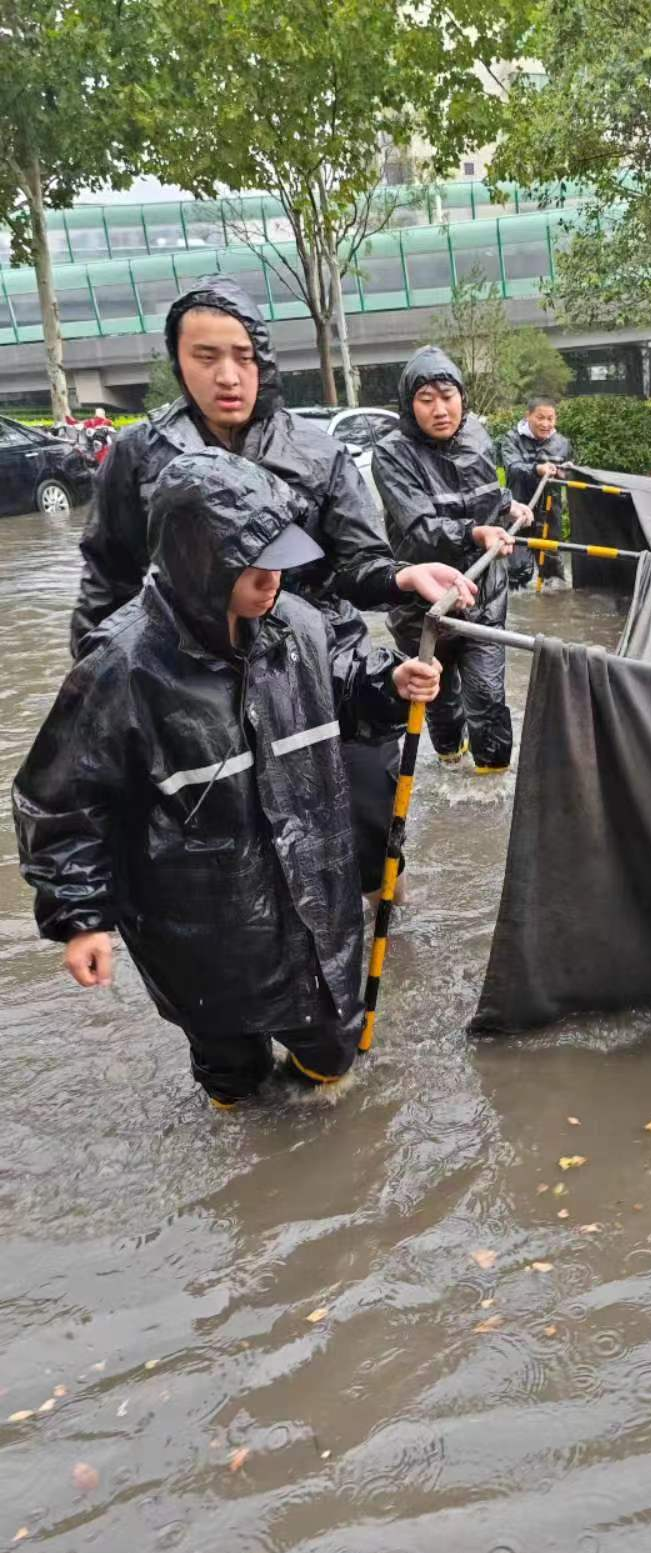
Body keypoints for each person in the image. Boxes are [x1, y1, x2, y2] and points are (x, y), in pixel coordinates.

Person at [14, 451, 441, 1109]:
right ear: (197, 560)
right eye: (253, 564)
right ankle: (238, 1117)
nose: (273, 579)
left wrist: (389, 685)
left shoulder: (300, 625)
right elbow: (61, 803)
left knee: (333, 1054)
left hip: (315, 908)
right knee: (231, 1074)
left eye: (281, 558)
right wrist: (81, 921)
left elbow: (342, 692)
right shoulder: (122, 667)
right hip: (198, 928)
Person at [70, 275, 474, 894]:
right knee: (219, 862)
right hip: (193, 681)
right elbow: (108, 583)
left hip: (322, 660)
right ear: (178, 360)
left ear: (263, 360)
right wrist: (95, 689)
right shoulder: (136, 455)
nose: (227, 376)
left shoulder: (317, 452)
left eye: (242, 356)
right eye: (206, 357)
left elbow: (358, 563)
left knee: (370, 832)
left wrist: (402, 575)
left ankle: (373, 928)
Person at [372, 348, 534, 774]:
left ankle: (492, 780)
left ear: (462, 396)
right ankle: (449, 762)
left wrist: (507, 505)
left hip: (484, 591)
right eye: (426, 400)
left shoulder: (477, 435)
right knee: (439, 699)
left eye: (448, 397)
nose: (440, 410)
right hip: (423, 605)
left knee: (488, 696)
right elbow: (419, 526)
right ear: (409, 405)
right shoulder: (391, 454)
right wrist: (475, 532)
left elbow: (485, 489)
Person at [499, 397, 575, 587]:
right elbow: (513, 468)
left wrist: (564, 474)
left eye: (550, 418)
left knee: (552, 570)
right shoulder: (512, 438)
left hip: (550, 512)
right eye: (540, 418)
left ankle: (551, 600)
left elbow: (571, 473)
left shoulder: (563, 443)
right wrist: (537, 469)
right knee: (517, 570)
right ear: (528, 416)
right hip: (519, 509)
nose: (546, 424)